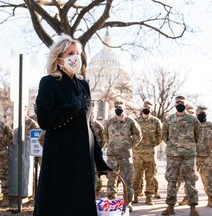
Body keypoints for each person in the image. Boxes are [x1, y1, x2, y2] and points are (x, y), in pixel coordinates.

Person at [33, 35, 111, 216]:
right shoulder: (49, 82)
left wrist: (98, 159)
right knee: (60, 206)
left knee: (81, 205)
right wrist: (71, 107)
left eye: (78, 53)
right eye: (70, 53)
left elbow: (88, 126)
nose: (75, 57)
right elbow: (45, 121)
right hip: (61, 157)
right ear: (59, 59)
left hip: (83, 158)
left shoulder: (84, 85)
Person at [162, 96, 201, 216]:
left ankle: (193, 207)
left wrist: (190, 146)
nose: (180, 104)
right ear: (175, 105)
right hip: (173, 155)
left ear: (186, 105)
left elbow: (198, 135)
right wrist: (172, 146)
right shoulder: (169, 119)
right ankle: (170, 206)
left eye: (182, 103)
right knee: (171, 179)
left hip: (189, 155)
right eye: (178, 103)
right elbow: (164, 135)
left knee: (190, 180)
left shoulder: (192, 119)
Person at [104, 99, 142, 212]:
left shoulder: (130, 121)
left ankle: (127, 202)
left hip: (125, 155)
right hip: (112, 155)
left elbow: (138, 135)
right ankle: (111, 200)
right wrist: (111, 144)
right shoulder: (109, 122)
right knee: (111, 179)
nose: (118, 109)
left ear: (124, 108)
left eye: (120, 107)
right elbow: (105, 134)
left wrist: (129, 145)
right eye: (116, 107)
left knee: (127, 179)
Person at [132, 101, 162, 205]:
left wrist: (152, 145)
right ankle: (135, 195)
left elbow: (160, 136)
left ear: (151, 110)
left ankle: (148, 197)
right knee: (136, 175)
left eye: (148, 108)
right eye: (144, 108)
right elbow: (132, 135)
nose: (146, 110)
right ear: (141, 109)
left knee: (150, 176)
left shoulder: (156, 121)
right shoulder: (135, 121)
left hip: (150, 153)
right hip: (137, 153)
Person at [195, 105, 212, 208]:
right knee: (190, 179)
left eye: (203, 114)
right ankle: (189, 199)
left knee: (209, 179)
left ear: (206, 114)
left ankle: (210, 199)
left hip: (208, 158)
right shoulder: (192, 125)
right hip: (194, 157)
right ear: (196, 114)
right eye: (200, 114)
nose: (201, 115)